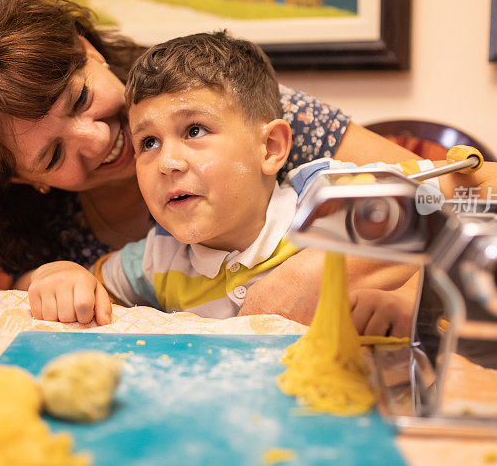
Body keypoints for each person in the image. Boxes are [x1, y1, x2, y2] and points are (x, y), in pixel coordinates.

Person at [0, 0, 497, 327]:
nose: (100, 139)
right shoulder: (85, 240)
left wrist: (357, 283)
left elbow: (473, 199)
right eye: (53, 153)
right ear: (21, 179)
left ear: (88, 48)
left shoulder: (223, 108)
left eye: (79, 95)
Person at [26, 31, 438, 335]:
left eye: (194, 131)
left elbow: (444, 217)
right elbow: (86, 284)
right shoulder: (155, 262)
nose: (167, 162)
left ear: (271, 146)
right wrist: (60, 274)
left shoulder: (325, 203)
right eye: (148, 142)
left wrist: (405, 302)